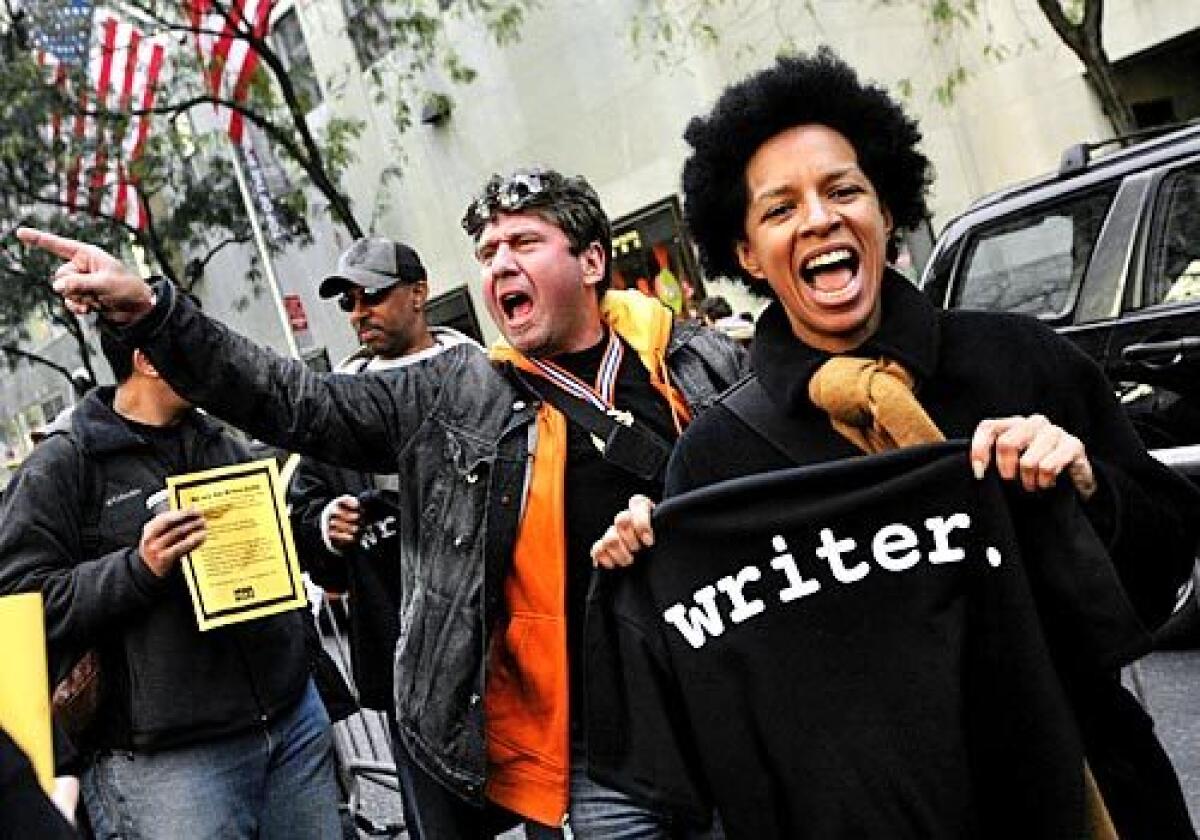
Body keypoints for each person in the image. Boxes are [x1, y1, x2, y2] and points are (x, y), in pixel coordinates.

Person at [18, 167, 748, 838]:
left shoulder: (700, 362)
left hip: (738, 707)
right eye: (489, 251)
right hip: (601, 758)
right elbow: (289, 397)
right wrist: (152, 311)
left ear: (591, 261)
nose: (499, 265)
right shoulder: (457, 392)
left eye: (525, 241)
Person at [591, 50, 1200, 839]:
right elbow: (703, 707)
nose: (819, 219)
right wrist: (645, 557)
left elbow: (1163, 573)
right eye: (780, 209)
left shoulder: (1020, 360)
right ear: (745, 253)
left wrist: (1089, 484)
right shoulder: (716, 459)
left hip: (1096, 797)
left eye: (844, 190)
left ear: (885, 210)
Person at [0, 331, 343, 839]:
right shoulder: (64, 464)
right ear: (147, 361)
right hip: (172, 767)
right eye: (188, 336)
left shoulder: (218, 440)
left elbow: (269, 545)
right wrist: (139, 568)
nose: (213, 352)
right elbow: (19, 601)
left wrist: (319, 532)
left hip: (292, 729)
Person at [287, 237, 482, 830]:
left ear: (418, 293)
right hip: (402, 661)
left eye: (372, 295)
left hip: (495, 650)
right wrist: (326, 526)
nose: (358, 312)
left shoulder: (483, 378)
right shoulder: (336, 407)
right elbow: (302, 519)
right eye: (348, 301)